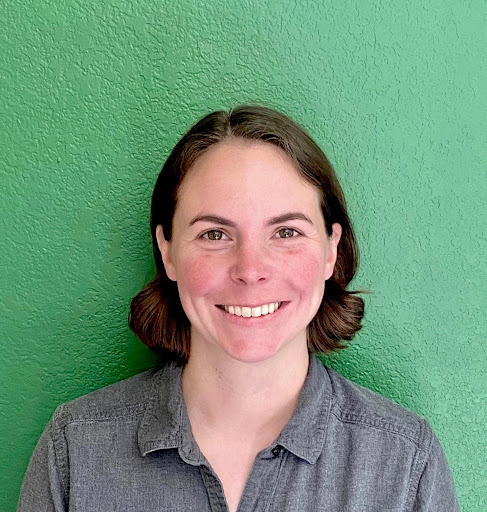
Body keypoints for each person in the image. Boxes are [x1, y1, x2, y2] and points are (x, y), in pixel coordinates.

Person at [18, 105, 460, 511]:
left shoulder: (405, 464)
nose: (251, 270)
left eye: (286, 232)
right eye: (214, 234)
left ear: (331, 250)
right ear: (167, 252)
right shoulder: (74, 452)